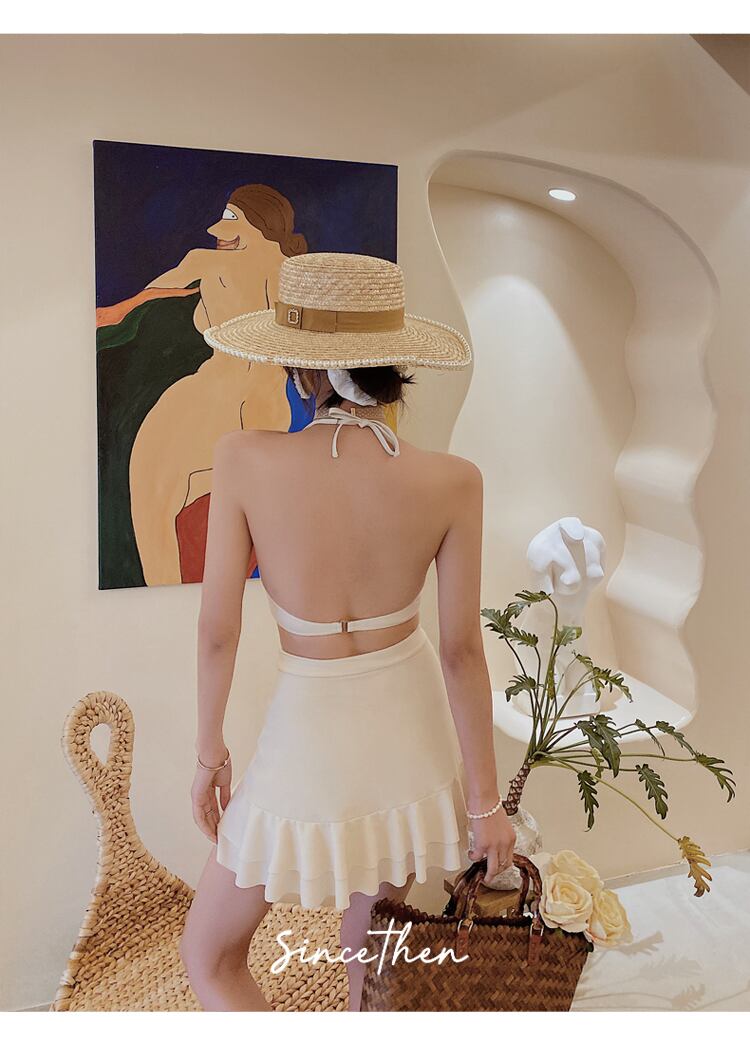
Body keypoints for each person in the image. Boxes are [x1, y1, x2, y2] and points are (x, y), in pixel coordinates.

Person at [179, 252, 517, 1011]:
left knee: (210, 955)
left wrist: (209, 754)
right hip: (408, 723)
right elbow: (462, 652)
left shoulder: (243, 458)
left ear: (304, 370)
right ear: (396, 367)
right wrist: (484, 805)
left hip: (311, 725)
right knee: (372, 946)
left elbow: (217, 632)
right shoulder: (455, 480)